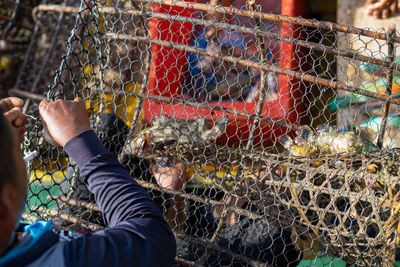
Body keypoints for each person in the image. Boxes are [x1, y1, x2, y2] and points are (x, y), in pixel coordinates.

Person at [0, 97, 176, 266]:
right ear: (5, 206)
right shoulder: (66, 260)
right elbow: (152, 238)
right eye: (18, 155)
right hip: (142, 237)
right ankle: (172, 202)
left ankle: (167, 197)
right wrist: (77, 139)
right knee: (107, 126)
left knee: (107, 128)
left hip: (60, 231)